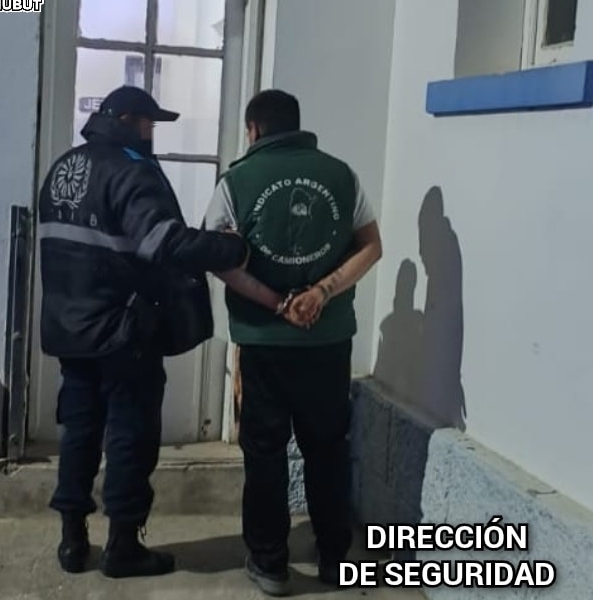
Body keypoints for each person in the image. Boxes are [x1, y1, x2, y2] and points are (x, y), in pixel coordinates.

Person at [38, 86, 249, 580]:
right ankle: (123, 547)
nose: (152, 134)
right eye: (149, 124)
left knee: (79, 433)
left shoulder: (65, 167)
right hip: (122, 332)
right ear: (129, 120)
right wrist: (231, 250)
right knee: (130, 437)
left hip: (70, 329)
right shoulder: (131, 170)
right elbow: (163, 241)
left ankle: (72, 541)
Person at [205, 89, 382, 596]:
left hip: (263, 342)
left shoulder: (236, 181)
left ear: (254, 129)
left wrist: (279, 303)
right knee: (327, 448)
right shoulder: (342, 176)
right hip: (327, 342)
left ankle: (269, 563)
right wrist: (321, 293)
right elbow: (372, 246)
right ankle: (334, 558)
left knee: (264, 452)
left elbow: (218, 258)